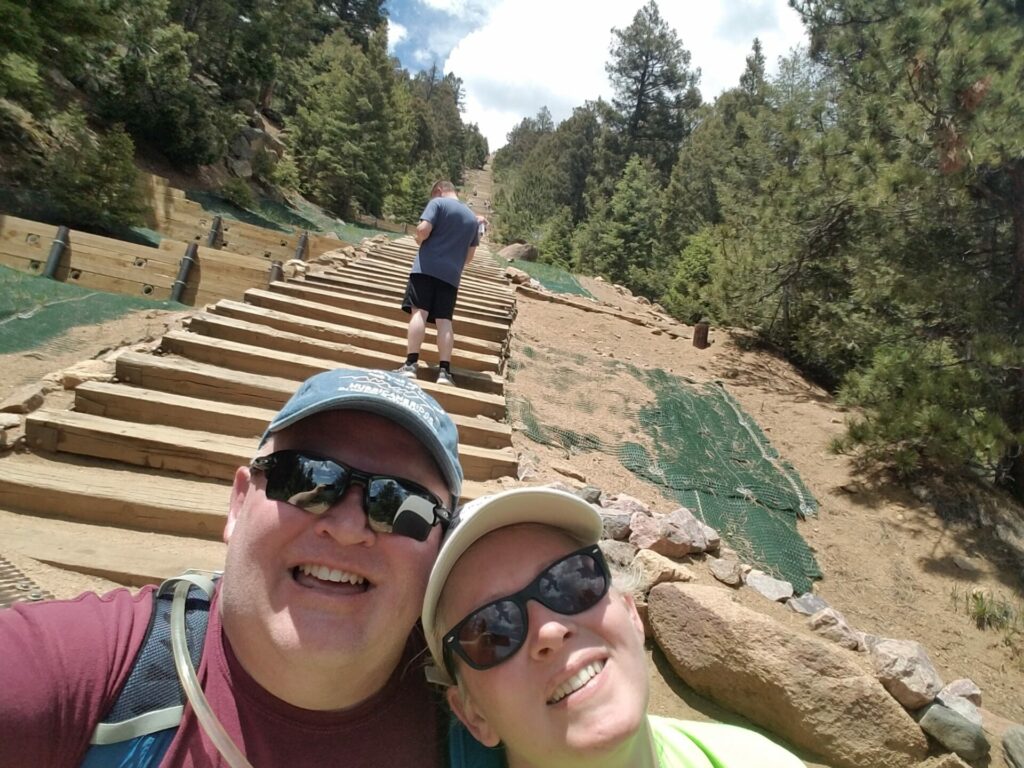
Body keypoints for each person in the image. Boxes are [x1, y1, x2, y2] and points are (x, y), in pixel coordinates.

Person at [0, 367, 464, 767]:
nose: (346, 527)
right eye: (305, 477)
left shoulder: (482, 715)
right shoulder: (82, 669)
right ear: (239, 502)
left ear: (443, 548)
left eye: (402, 504)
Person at [421, 487, 807, 768]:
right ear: (474, 715)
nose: (550, 631)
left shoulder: (755, 757)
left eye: (572, 582)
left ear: (632, 616)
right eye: (492, 629)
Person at [397, 180, 481, 387]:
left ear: (438, 190)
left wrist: (419, 239)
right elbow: (469, 257)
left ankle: (410, 366)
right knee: (445, 321)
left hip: (425, 268)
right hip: (451, 276)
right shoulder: (472, 219)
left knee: (420, 313)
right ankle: (444, 372)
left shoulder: (438, 204)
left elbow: (423, 229)